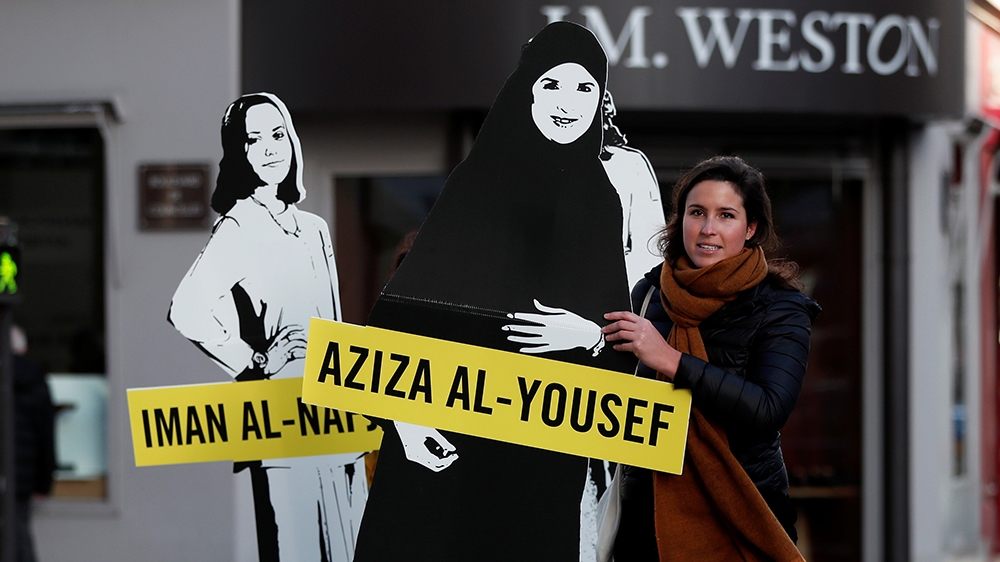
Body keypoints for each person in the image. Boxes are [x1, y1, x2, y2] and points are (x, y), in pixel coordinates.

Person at [353, 21, 636, 562]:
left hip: (539, 462)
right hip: (446, 454)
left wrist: (588, 335)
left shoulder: (600, 202)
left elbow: (622, 346)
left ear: (600, 99)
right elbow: (396, 327)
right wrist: (408, 424)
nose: (567, 103)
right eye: (552, 83)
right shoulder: (475, 185)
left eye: (585, 88)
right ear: (526, 89)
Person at [168, 92, 366, 562]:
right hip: (280, 417)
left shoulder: (314, 228)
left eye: (278, 135)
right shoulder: (239, 227)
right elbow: (187, 309)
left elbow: (332, 321)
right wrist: (254, 360)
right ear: (240, 153)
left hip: (335, 415)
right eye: (254, 140)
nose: (271, 148)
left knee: (351, 549)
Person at [602, 155, 820, 561]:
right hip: (646, 521)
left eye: (726, 215)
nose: (707, 229)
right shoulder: (649, 296)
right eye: (697, 212)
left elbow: (767, 408)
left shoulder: (782, 308)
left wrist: (671, 360)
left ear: (751, 228)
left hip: (738, 516)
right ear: (680, 218)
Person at [11, 325, 55, 562]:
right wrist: (44, 481)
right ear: (23, 347)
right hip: (23, 477)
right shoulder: (36, 381)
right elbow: (46, 434)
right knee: (19, 535)